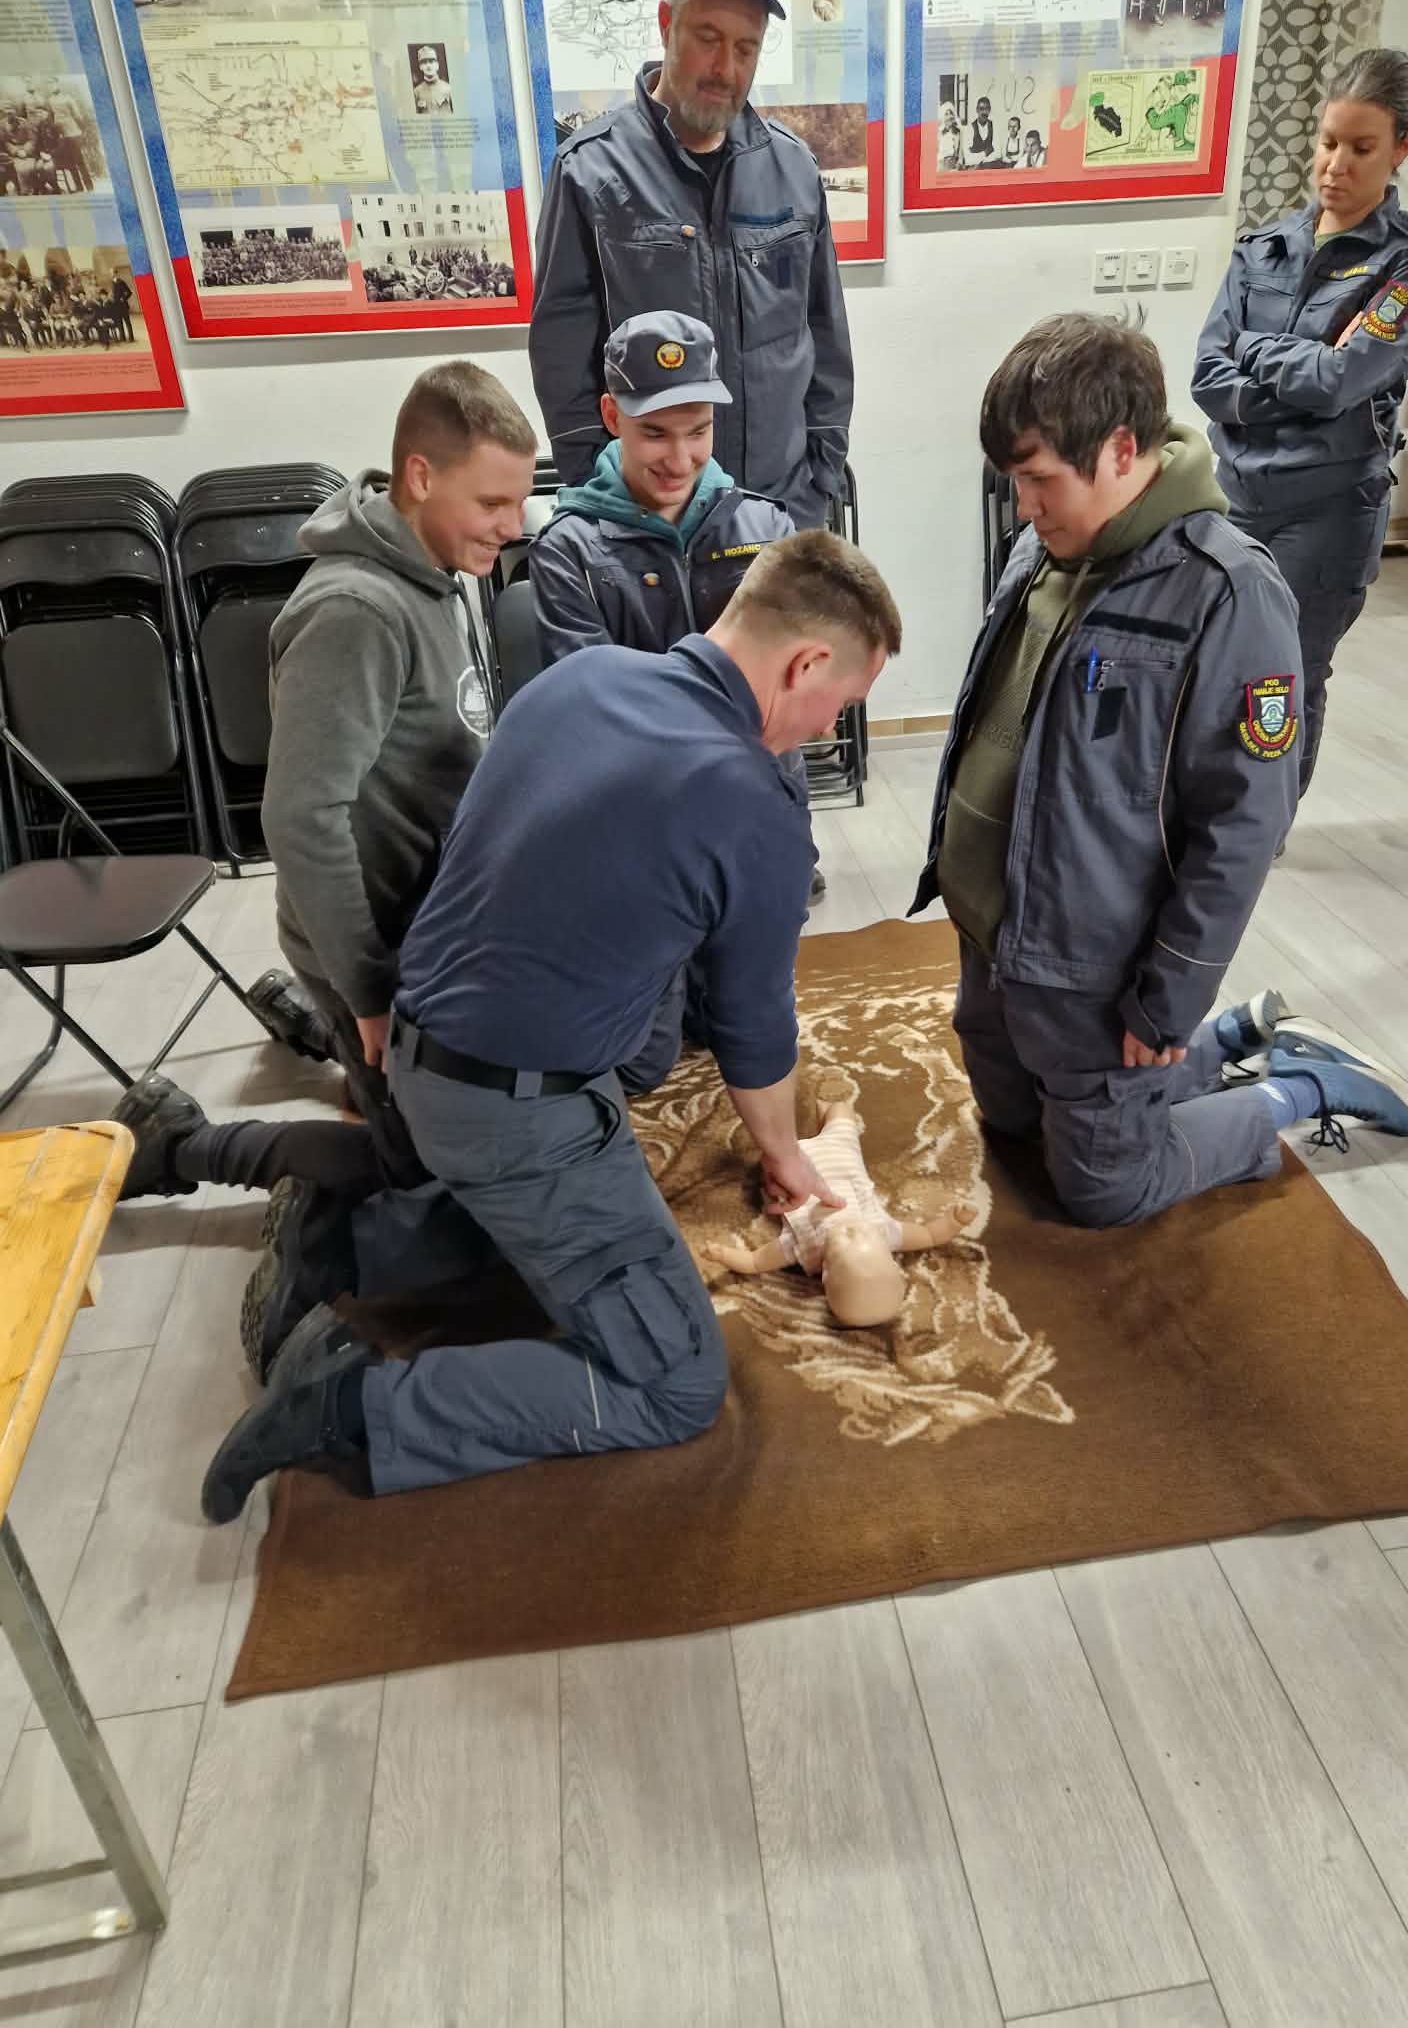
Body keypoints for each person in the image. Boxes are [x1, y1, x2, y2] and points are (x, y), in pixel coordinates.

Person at [198, 531, 901, 1523]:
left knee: (588, 1222)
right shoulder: (753, 805)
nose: (828, 728)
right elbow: (752, 1027)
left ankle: (341, 1243)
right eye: (842, 702)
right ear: (805, 663)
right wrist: (786, 1157)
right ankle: (348, 1403)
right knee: (674, 1379)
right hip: (514, 1111)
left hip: (418, 1058)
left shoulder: (580, 678)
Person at [911, 314, 1408, 1231]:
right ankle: (1234, 1039)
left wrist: (1171, 998)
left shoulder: (1229, 590)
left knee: (1103, 1188)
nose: (1023, 507)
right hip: (996, 937)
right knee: (1012, 1122)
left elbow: (1243, 826)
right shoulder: (1041, 551)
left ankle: (1300, 1087)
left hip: (1094, 964)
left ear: (1120, 449)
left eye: (1040, 480)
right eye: (1014, 482)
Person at [112, 363, 537, 1367]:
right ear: (420, 476)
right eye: (493, 501)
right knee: (416, 1177)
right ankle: (179, 1140)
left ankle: (321, 1028)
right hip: (374, 950)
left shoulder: (433, 570)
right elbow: (300, 820)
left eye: (517, 500)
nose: (513, 524)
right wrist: (370, 991)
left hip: (412, 936)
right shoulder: (357, 611)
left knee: (436, 1128)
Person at [1192, 48, 1408, 794]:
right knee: (1216, 665)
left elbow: (1343, 382)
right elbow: (1209, 378)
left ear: (1402, 147)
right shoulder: (1262, 246)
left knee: (1284, 675)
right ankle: (1208, 815)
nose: (1336, 165)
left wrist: (1253, 349)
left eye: (1361, 148)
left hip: (1327, 509)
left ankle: (1263, 826)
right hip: (1236, 497)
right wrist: (1299, 367)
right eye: (1329, 142)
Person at [528, 0, 853, 530]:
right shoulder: (589, 173)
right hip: (649, 529)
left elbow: (826, 341)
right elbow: (563, 363)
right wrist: (606, 504)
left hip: (780, 518)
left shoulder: (793, 169)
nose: (726, 68)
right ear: (666, 25)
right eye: (708, 39)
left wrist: (818, 486)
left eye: (746, 48)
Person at [529, 308, 824, 910]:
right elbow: (596, 711)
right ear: (612, 416)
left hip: (760, 812)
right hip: (641, 828)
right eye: (655, 433)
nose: (680, 457)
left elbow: (798, 679)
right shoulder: (568, 550)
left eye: (698, 430)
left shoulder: (766, 527)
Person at [704, 1095, 977, 1326]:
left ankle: (789, 1131)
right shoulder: (887, 1232)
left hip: (788, 1166)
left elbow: (755, 1262)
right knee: (842, 1112)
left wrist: (722, 1255)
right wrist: (955, 1221)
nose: (853, 1232)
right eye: (865, 1237)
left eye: (847, 1241)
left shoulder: (804, 1247)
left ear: (825, 1271)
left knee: (765, 1138)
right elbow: (929, 1235)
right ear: (891, 1257)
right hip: (839, 1150)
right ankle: (825, 1112)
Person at [412, 46, 453, 115]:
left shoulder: (448, 88)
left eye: (431, 61)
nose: (428, 65)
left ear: (437, 65)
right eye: (424, 62)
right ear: (420, 67)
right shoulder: (417, 92)